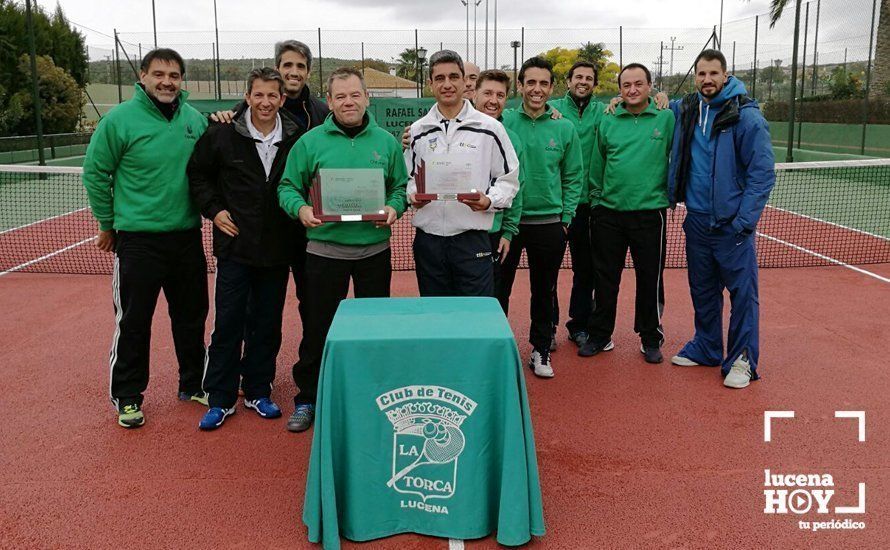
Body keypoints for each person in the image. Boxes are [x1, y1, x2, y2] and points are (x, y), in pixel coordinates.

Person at [82, 48, 209, 428]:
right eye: (159, 74)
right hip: (138, 242)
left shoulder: (194, 120)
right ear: (143, 76)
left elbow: (207, 171)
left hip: (187, 237)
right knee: (134, 322)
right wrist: (108, 224)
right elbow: (95, 172)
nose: (167, 81)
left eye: (174, 74)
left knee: (191, 318)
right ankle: (128, 396)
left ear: (181, 79)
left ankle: (193, 384)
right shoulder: (119, 120)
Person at [278, 67, 408, 432]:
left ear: (367, 98)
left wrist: (395, 208)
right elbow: (287, 187)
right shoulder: (310, 142)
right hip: (324, 253)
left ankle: (372, 397)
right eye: (340, 97)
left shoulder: (385, 142)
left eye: (355, 95)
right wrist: (301, 209)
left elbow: (400, 188)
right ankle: (308, 398)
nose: (348, 102)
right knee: (318, 329)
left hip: (374, 253)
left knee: (373, 330)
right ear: (330, 101)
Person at [188, 68, 305, 430]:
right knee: (228, 324)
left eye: (273, 96)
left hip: (277, 249)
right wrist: (215, 210)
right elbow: (198, 175)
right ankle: (220, 398)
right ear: (247, 96)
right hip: (235, 248)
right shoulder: (222, 133)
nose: (266, 102)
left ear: (282, 99)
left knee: (267, 324)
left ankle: (258, 390)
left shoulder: (297, 137)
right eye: (259, 95)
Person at [213, 40, 329, 397]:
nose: (293, 72)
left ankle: (313, 376)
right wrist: (214, 208)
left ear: (308, 72)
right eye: (287, 66)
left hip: (310, 228)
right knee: (251, 311)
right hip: (264, 236)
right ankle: (243, 381)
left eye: (300, 67)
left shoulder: (321, 111)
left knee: (313, 304)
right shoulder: (238, 116)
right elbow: (208, 168)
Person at [667, 49, 775, 388]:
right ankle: (708, 346)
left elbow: (762, 174)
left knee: (742, 295)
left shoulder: (746, 116)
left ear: (725, 76)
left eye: (714, 74)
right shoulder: (687, 108)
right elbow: (656, 105)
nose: (707, 80)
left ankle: (743, 360)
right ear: (695, 76)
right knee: (702, 290)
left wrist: (743, 221)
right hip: (696, 220)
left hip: (732, 225)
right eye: (701, 74)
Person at [577, 63, 674, 364]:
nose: (632, 90)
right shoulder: (607, 119)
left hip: (650, 214)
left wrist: (666, 96)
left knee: (650, 279)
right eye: (626, 85)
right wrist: (597, 203)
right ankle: (600, 335)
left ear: (650, 86)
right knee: (605, 280)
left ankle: (650, 337)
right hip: (609, 215)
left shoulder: (666, 117)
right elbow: (597, 165)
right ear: (619, 90)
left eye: (639, 84)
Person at [405, 50, 520, 297]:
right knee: (436, 316)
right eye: (440, 78)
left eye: (453, 77)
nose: (447, 84)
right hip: (428, 241)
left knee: (475, 317)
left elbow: (508, 180)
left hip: (472, 240)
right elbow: (409, 179)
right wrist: (413, 195)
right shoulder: (417, 131)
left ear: (465, 81)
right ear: (430, 84)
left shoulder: (491, 128)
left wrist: (489, 201)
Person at [500, 56, 584, 378]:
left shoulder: (564, 127)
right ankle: (501, 349)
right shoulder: (503, 121)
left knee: (544, 290)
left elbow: (573, 176)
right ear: (520, 85)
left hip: (549, 225)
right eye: (530, 82)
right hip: (508, 224)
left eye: (543, 83)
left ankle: (541, 349)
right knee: (499, 289)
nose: (537, 89)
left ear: (552, 88)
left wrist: (566, 217)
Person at [473, 69, 525, 294]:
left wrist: (507, 232)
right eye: (487, 93)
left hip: (493, 234)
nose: (493, 101)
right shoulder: (453, 128)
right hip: (457, 233)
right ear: (474, 94)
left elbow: (517, 188)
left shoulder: (512, 139)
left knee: (495, 299)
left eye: (500, 95)